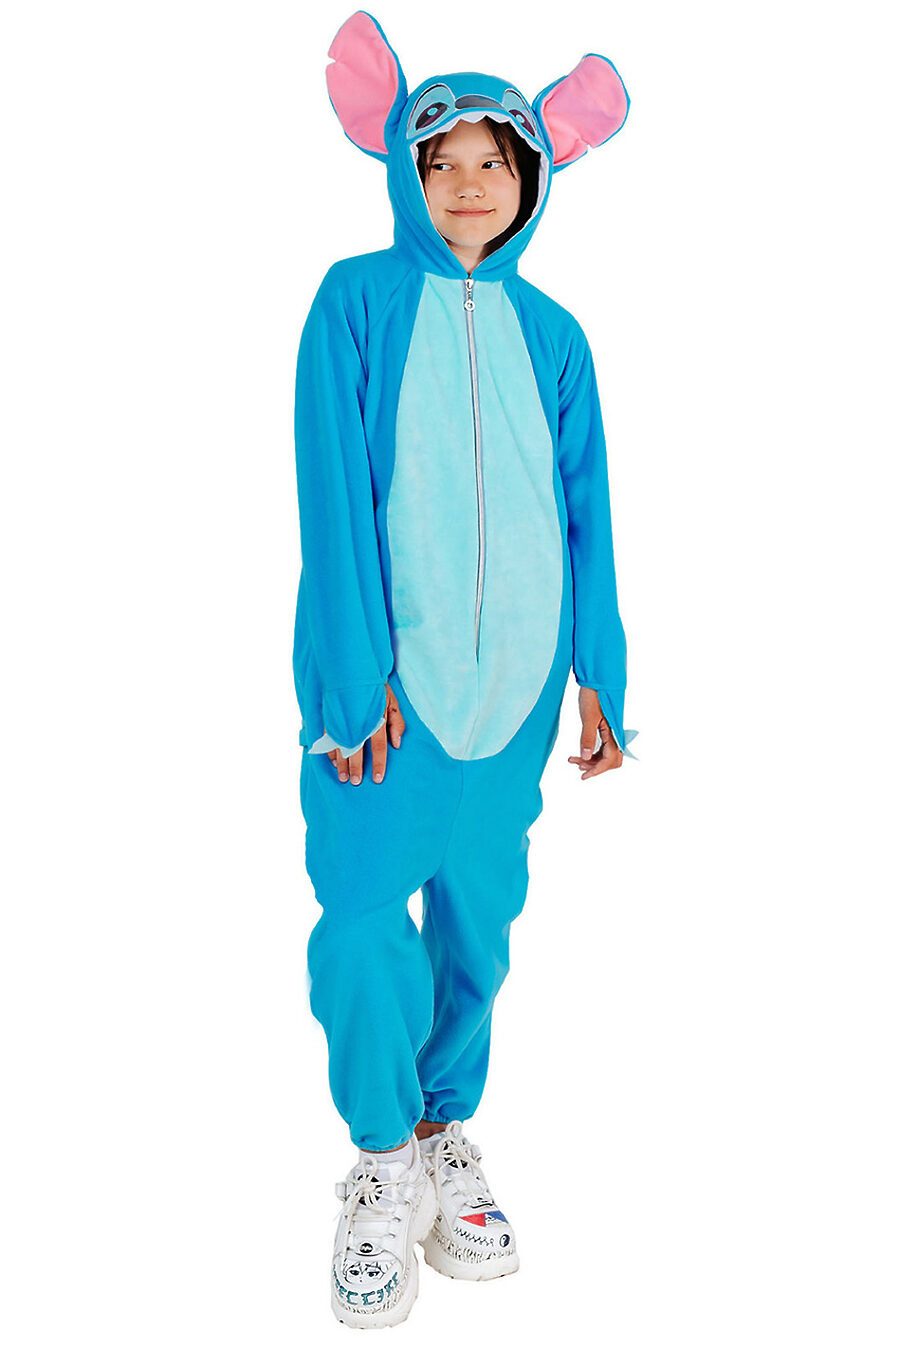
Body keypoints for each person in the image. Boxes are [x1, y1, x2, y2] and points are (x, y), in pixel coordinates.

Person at [291, 10, 639, 1329]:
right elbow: (333, 501)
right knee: (360, 917)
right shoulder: (355, 304)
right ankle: (382, 1154)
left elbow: (587, 511)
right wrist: (350, 680)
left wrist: (599, 668)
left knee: (480, 923)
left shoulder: (558, 337)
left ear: (536, 175)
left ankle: (444, 1128)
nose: (471, 184)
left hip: (520, 692)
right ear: (403, 169)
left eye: (497, 161)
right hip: (387, 697)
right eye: (443, 162)